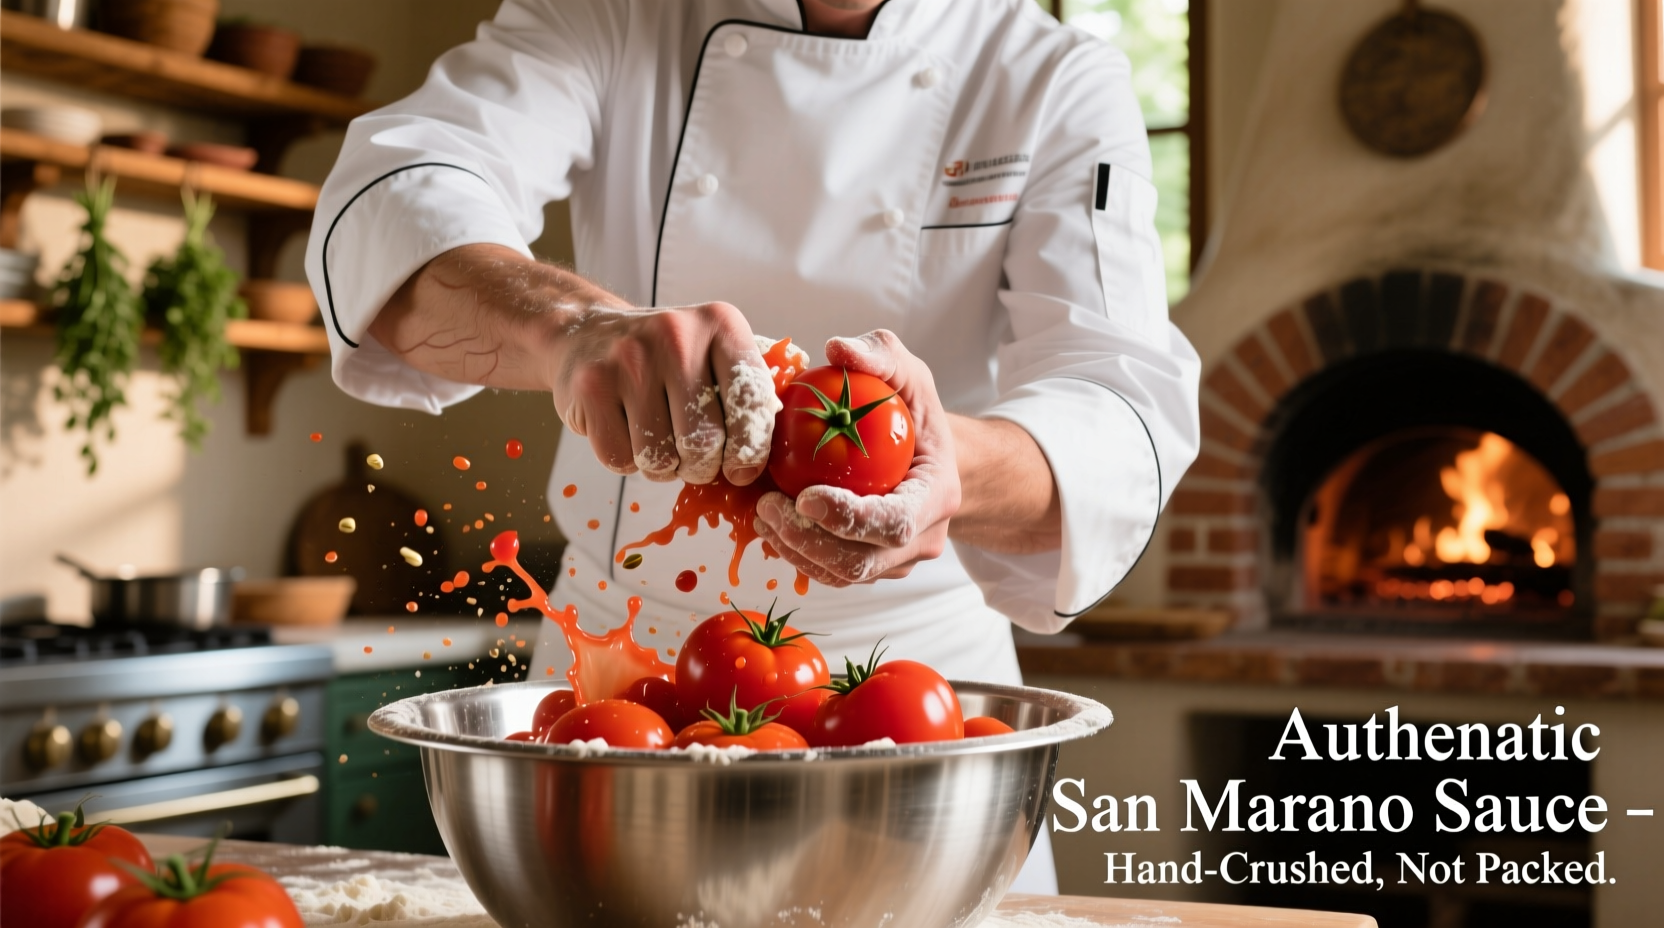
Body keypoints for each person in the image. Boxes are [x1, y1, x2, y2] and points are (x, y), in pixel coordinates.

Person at [305, 0, 1200, 893]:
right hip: (624, 685)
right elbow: (395, 193)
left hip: (917, 701)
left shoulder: (1051, 75)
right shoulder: (612, 14)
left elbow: (1119, 410)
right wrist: (572, 329)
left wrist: (942, 467)